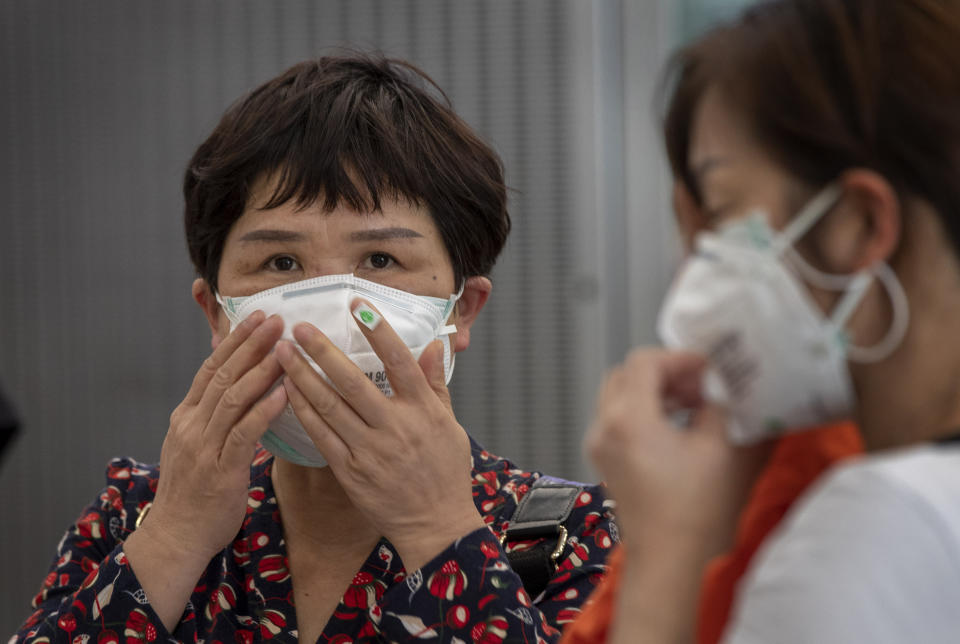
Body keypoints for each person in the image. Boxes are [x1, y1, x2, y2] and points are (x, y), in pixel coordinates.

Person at [14, 54, 615, 643]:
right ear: (216, 315)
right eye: (280, 263)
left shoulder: (567, 538)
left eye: (381, 260)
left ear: (461, 309)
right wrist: (176, 536)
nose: (327, 318)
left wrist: (436, 529)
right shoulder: (133, 516)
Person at [585, 0, 960, 642]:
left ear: (862, 224)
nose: (695, 273)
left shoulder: (875, 535)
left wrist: (668, 553)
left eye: (724, 215)